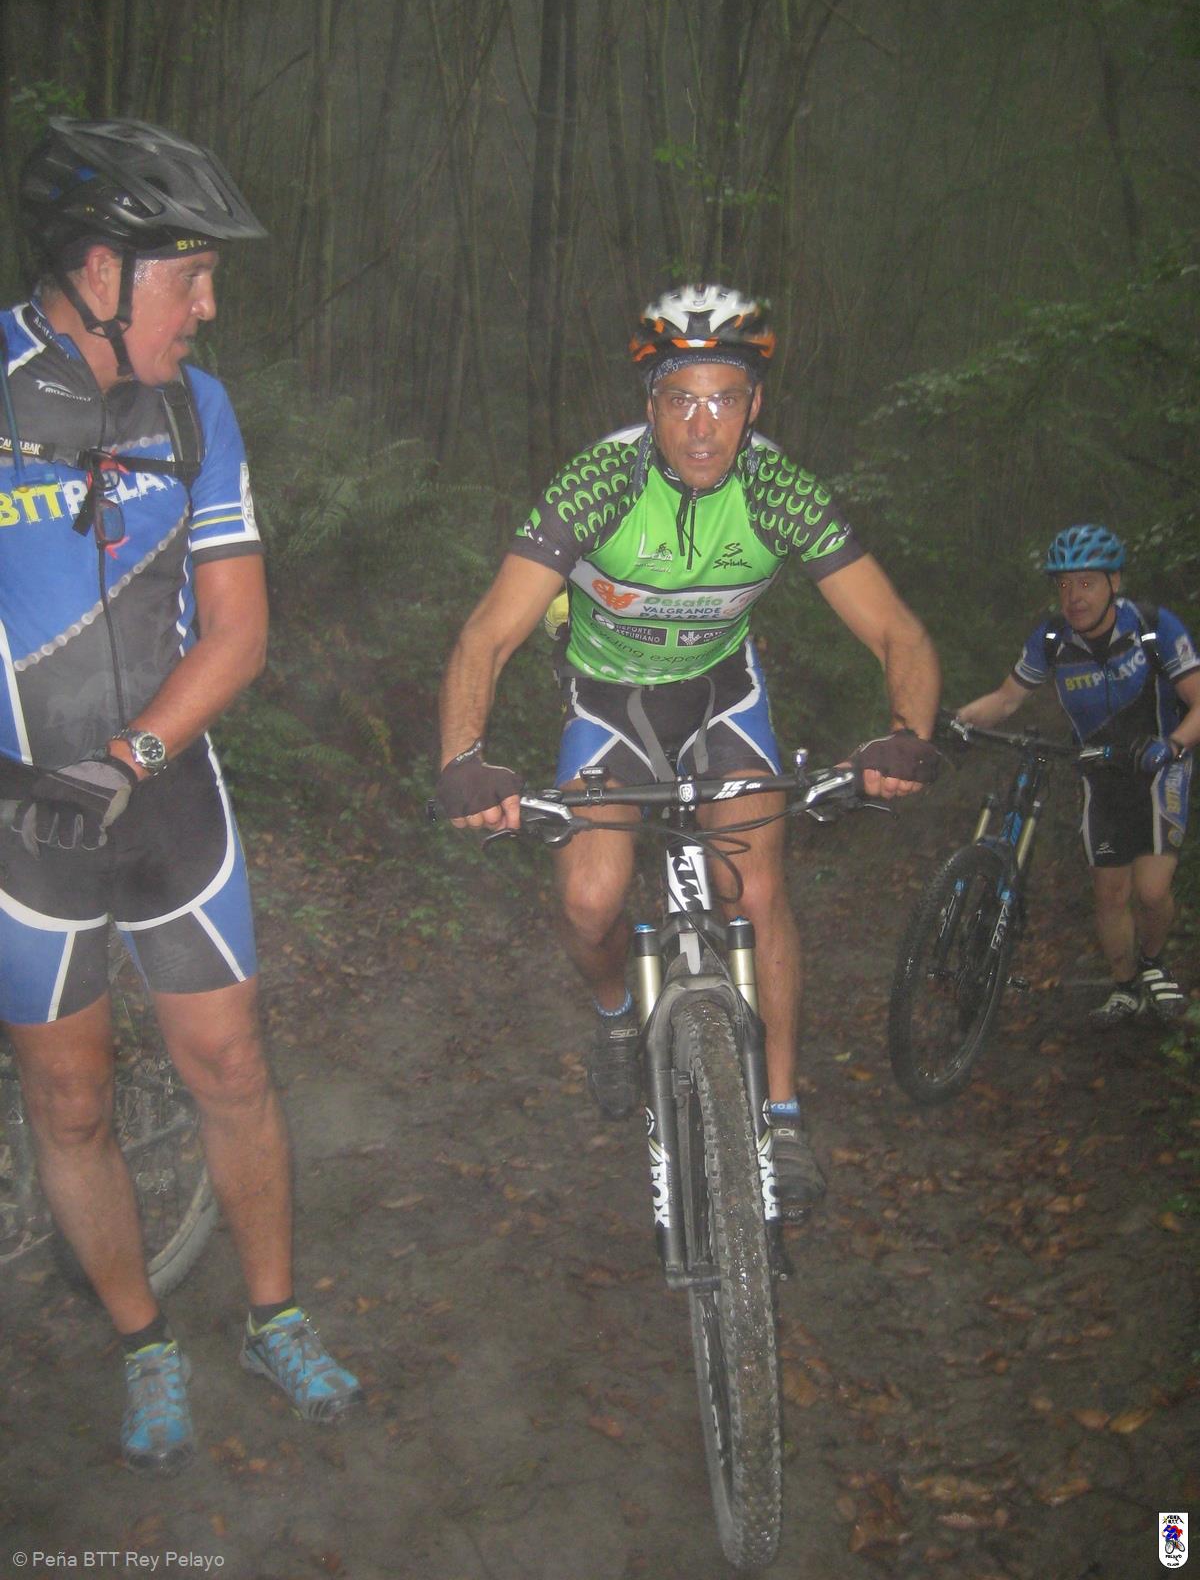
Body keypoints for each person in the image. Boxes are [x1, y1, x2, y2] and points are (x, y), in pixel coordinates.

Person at [0, 118, 361, 1475]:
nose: (208, 305)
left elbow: (239, 632)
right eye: (190, 276)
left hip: (164, 805)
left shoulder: (196, 410)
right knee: (71, 1104)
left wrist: (132, 759)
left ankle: (274, 1317)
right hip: (21, 829)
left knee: (230, 1066)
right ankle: (143, 1341)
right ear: (101, 270)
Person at [436, 284, 941, 1213]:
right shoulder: (598, 485)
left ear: (755, 404)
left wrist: (907, 736)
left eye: (725, 400)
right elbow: (489, 633)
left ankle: (782, 1115)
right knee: (590, 903)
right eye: (681, 400)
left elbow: (896, 631)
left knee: (755, 891)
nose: (703, 427)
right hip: (609, 705)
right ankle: (615, 1014)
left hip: (721, 701)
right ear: (651, 403)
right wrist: (463, 756)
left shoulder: (780, 492)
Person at [956, 523, 1200, 1025]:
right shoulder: (1051, 639)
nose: (1073, 596)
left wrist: (1172, 744)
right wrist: (954, 721)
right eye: (1064, 584)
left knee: (1152, 891)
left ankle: (1153, 962)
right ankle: (1124, 985)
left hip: (1159, 767)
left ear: (1115, 582)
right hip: (1098, 773)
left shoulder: (1154, 628)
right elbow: (1006, 699)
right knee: (1110, 892)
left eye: (1086, 582)